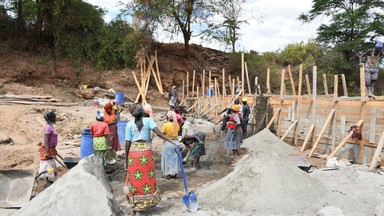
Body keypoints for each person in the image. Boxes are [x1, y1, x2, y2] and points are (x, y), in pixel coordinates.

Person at [125, 103, 179, 214]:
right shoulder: (149, 121)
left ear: (132, 114)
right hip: (146, 153)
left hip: (134, 154)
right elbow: (159, 134)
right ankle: (148, 201)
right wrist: (172, 142)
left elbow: (127, 144)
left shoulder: (129, 124)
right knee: (148, 178)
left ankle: (136, 204)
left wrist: (126, 161)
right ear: (143, 112)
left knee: (135, 180)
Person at [38, 111, 58, 188]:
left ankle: (49, 180)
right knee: (47, 165)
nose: (56, 118)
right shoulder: (47, 127)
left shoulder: (51, 126)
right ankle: (47, 182)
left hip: (51, 148)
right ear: (51, 118)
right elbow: (46, 140)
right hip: (47, 149)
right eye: (54, 117)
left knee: (51, 164)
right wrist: (47, 151)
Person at [161, 110, 183, 179]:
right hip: (176, 143)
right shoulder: (177, 125)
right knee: (175, 159)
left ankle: (168, 174)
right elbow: (179, 134)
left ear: (167, 117)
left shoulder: (165, 125)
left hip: (168, 143)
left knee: (167, 159)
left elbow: (163, 135)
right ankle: (175, 173)